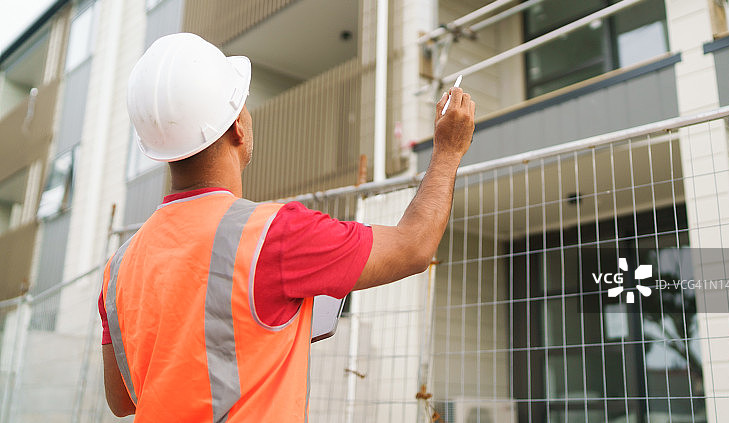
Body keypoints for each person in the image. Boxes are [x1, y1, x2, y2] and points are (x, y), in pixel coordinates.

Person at [99, 32, 475, 421]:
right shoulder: (274, 235)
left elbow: (122, 400)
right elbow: (413, 246)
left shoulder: (119, 267)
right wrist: (448, 151)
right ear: (236, 128)